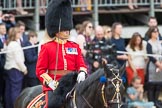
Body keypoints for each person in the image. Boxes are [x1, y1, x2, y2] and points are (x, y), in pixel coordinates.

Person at [36, 0, 87, 108]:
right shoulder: (47, 47)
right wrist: (49, 82)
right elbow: (40, 70)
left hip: (73, 83)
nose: (67, 31)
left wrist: (82, 72)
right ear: (56, 30)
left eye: (68, 28)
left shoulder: (74, 46)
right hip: (55, 84)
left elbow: (81, 64)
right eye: (64, 29)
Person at [4, 27, 27, 108]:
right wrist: (24, 69)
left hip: (9, 69)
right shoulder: (14, 45)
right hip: (15, 69)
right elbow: (18, 60)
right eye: (18, 32)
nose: (20, 33)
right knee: (15, 91)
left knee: (9, 90)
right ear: (15, 34)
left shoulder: (9, 43)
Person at [146, 26, 162, 108]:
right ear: (151, 33)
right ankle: (151, 103)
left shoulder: (160, 42)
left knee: (159, 84)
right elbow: (150, 56)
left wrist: (161, 64)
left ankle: (156, 102)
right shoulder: (149, 43)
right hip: (153, 65)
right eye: (154, 32)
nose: (156, 33)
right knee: (152, 85)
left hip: (161, 65)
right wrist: (158, 64)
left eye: (157, 31)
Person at [0, 23, 7, 108]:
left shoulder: (6, 37)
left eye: (4, 28)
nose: (4, 30)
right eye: (2, 28)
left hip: (5, 67)